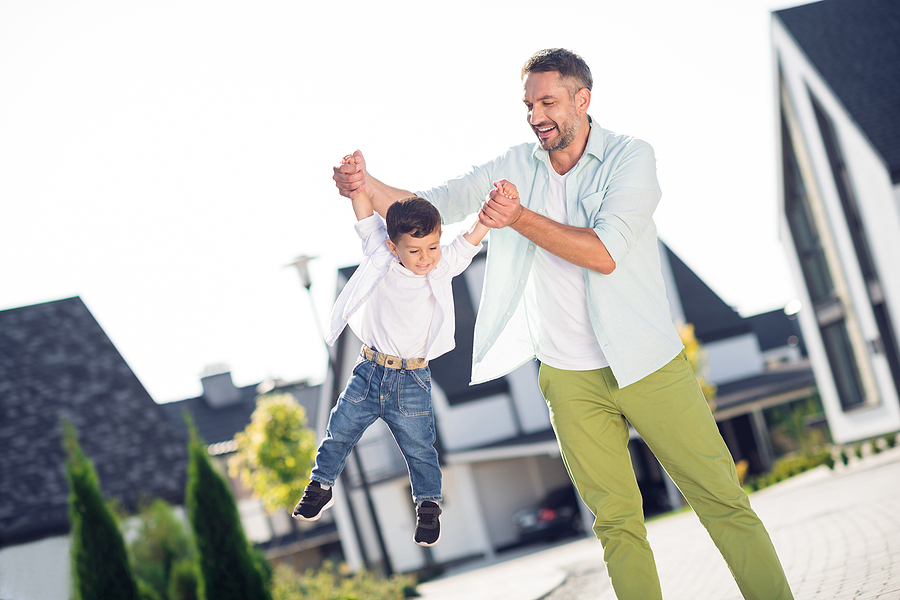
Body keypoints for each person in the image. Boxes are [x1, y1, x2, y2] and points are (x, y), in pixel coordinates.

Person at [332, 49, 794, 598]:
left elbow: (604, 253)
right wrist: (365, 184)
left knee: (722, 501)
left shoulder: (630, 157)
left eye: (548, 102)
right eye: (528, 105)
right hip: (567, 376)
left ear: (583, 99)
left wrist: (519, 217)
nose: (535, 116)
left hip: (647, 362)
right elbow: (428, 207)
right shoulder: (513, 166)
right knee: (616, 525)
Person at [293, 155, 506, 547]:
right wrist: (356, 182)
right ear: (394, 246)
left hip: (412, 378)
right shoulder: (382, 256)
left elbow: (470, 240)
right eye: (415, 251)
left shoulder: (441, 267)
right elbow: (362, 216)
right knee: (339, 429)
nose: (426, 258)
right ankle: (320, 485)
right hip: (369, 371)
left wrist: (489, 212)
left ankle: (428, 507)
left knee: (420, 447)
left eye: (432, 247)